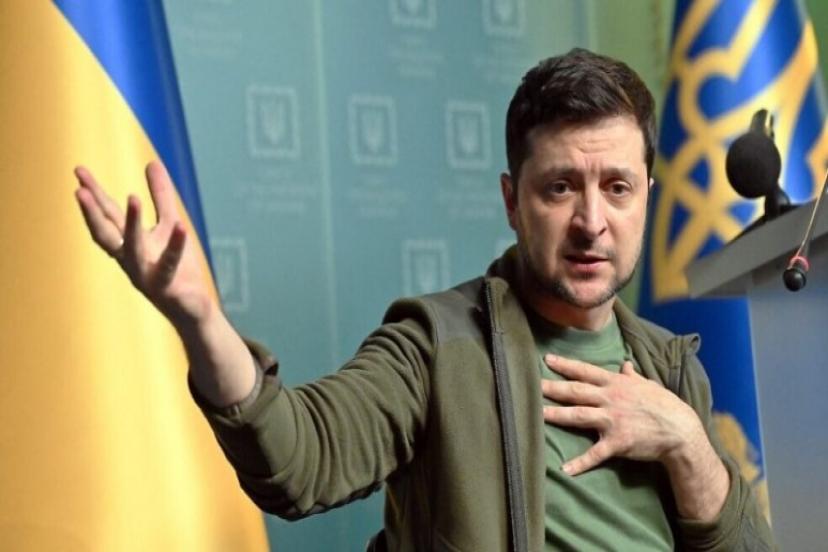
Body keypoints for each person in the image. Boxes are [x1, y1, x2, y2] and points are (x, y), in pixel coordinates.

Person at [74, 48, 775, 551]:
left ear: (646, 196)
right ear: (512, 202)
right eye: (560, 187)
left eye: (617, 188)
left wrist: (687, 443)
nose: (592, 222)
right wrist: (200, 320)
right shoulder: (437, 345)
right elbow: (299, 461)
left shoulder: (669, 366)